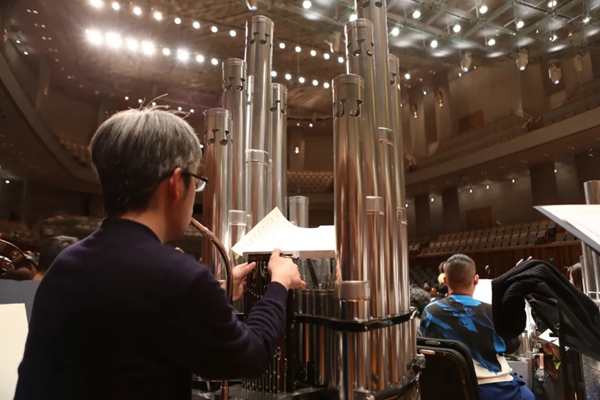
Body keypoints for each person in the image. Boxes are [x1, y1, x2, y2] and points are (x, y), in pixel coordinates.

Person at [15, 108, 306, 399]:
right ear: (176, 183)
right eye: (197, 180)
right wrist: (279, 284)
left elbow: (130, 317)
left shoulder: (65, 264)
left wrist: (215, 293)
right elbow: (252, 355)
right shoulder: (178, 277)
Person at [421, 254, 535, 400]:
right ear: (476, 279)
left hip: (449, 388)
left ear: (445, 281)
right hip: (495, 389)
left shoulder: (430, 312)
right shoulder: (492, 312)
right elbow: (512, 345)